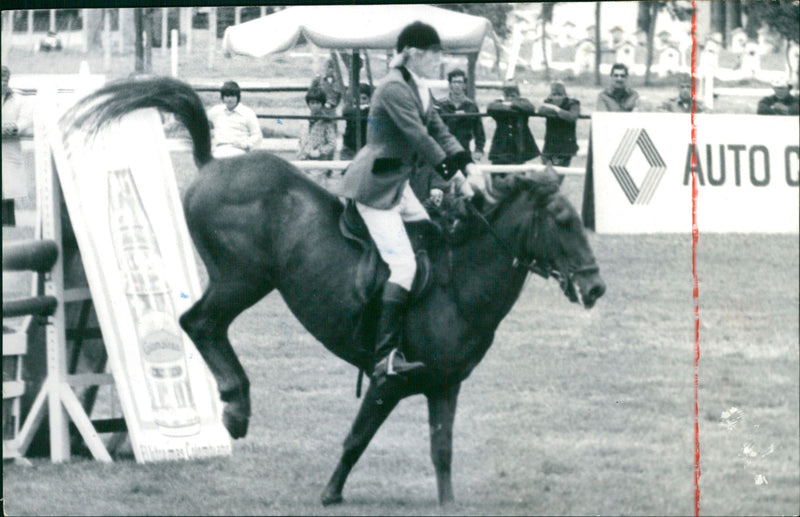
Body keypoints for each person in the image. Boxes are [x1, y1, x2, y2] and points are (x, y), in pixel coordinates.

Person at [340, 21, 476, 383]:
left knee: (430, 240)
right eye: (436, 54)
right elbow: (420, 139)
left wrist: (468, 164)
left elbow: (438, 129)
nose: (440, 61)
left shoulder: (418, 87)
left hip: (399, 186)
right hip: (375, 188)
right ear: (414, 53)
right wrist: (456, 178)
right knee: (404, 267)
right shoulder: (393, 89)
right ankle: (384, 357)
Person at [2, 66, 33, 225]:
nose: (2, 83)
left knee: (7, 196)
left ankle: (8, 229)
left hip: (8, 152)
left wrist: (14, 127)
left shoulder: (17, 99)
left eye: (5, 80)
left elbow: (27, 119)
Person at [435, 68, 486, 161]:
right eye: (454, 82)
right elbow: (433, 129)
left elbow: (479, 132)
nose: (457, 85)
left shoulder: (471, 106)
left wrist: (479, 150)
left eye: (460, 82)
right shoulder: (440, 105)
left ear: (464, 85)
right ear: (450, 84)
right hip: (444, 152)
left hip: (464, 151)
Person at [487, 80, 540, 165]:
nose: (510, 97)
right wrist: (508, 106)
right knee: (498, 174)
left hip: (518, 145)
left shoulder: (523, 102)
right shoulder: (498, 103)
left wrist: (512, 104)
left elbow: (530, 108)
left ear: (518, 94)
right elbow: (491, 107)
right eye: (507, 95)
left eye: (513, 95)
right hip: (501, 146)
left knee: (518, 174)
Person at [206, 80, 262, 158]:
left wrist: (245, 144)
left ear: (238, 97)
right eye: (226, 96)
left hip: (239, 150)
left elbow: (257, 135)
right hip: (220, 150)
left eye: (232, 96)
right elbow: (202, 122)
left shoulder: (247, 112)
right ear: (222, 98)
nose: (229, 99)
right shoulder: (216, 111)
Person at [297, 87, 337, 188]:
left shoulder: (326, 122)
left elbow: (332, 143)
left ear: (322, 104)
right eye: (312, 103)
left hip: (318, 163)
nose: (314, 106)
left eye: (317, 103)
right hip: (303, 160)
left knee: (316, 189)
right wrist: (300, 151)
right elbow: (300, 139)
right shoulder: (304, 120)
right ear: (308, 104)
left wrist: (320, 151)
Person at [538, 81, 580, 167]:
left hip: (565, 147)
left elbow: (572, 117)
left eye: (559, 95)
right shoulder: (548, 102)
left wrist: (556, 109)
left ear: (565, 95)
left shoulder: (572, 103)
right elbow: (541, 110)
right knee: (546, 175)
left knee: (559, 175)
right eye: (554, 95)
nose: (556, 98)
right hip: (550, 146)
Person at [340, 83, 373, 161]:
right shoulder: (349, 110)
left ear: (369, 99)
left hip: (366, 147)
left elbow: (367, 114)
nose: (361, 101)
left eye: (364, 98)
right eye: (357, 98)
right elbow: (345, 112)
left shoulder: (370, 111)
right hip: (349, 148)